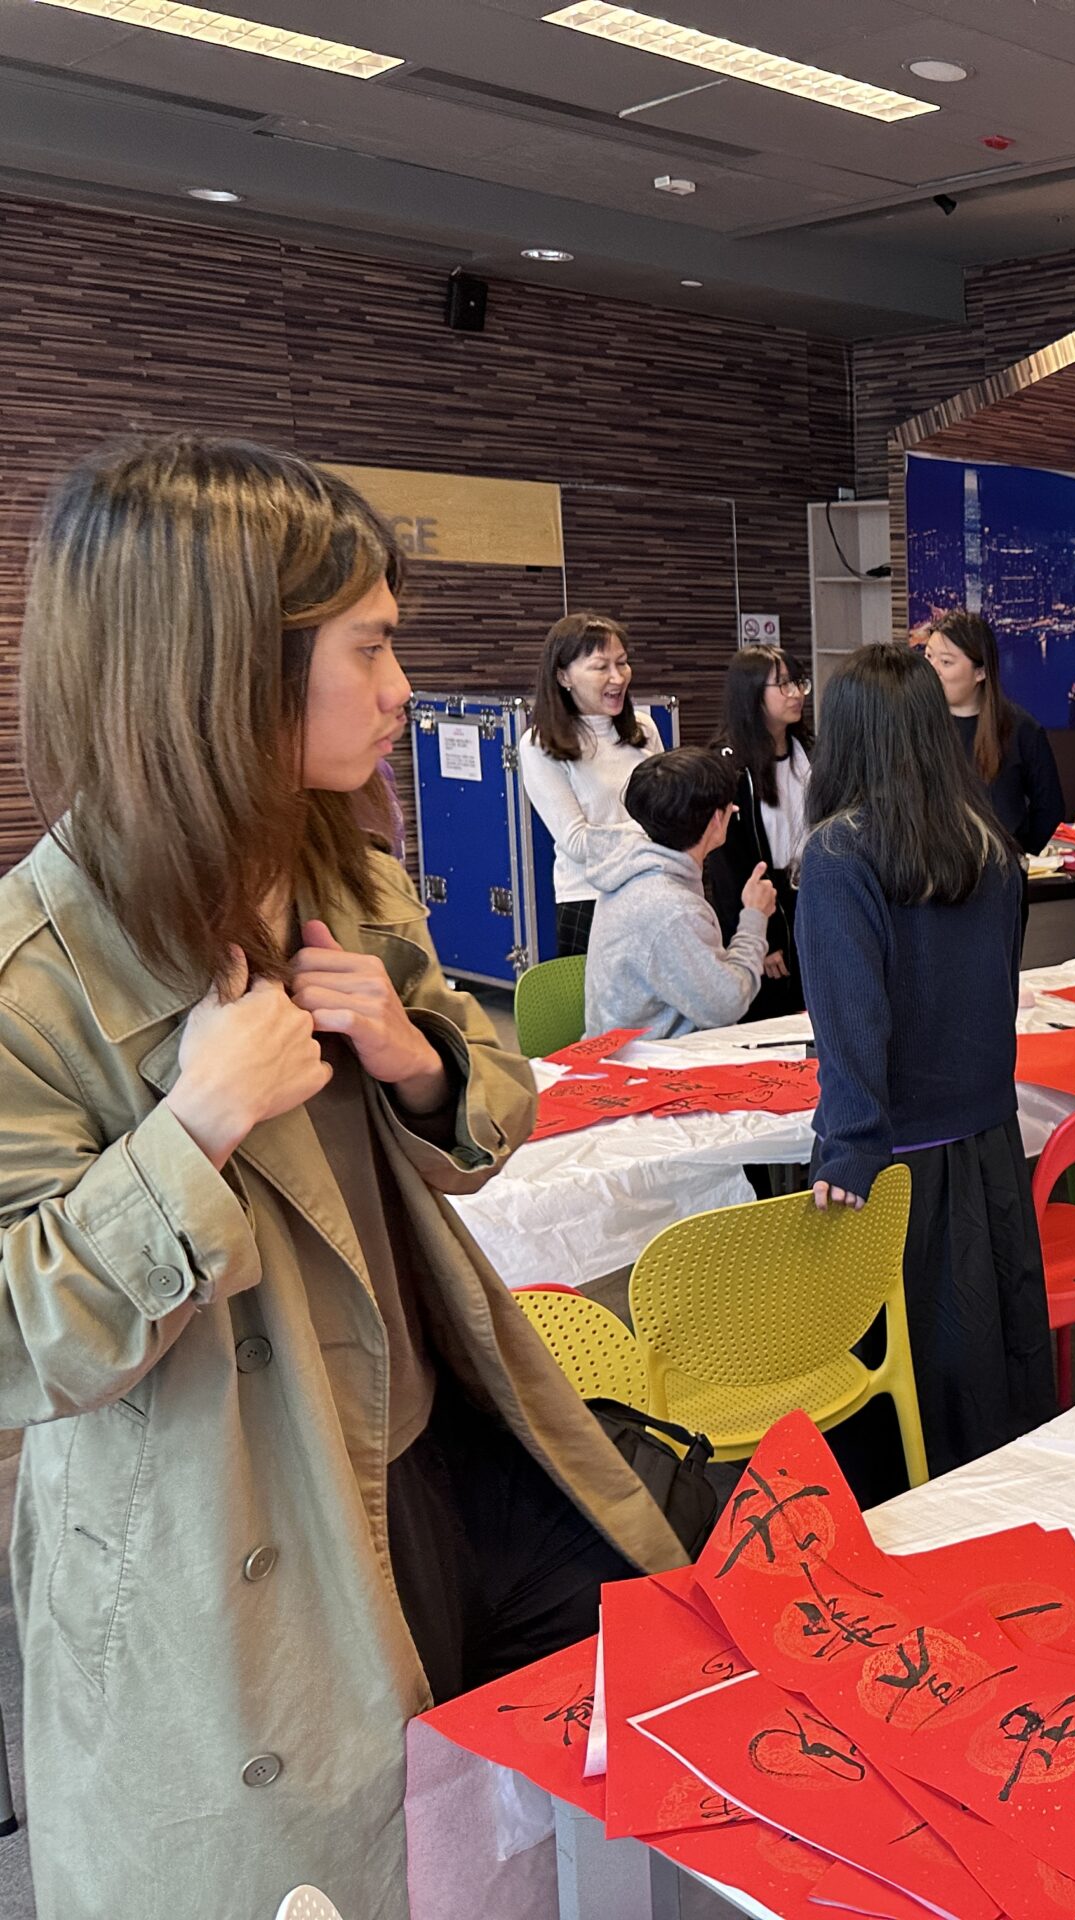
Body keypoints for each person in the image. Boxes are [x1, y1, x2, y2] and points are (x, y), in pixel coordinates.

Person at [0, 435, 684, 1920]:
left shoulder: (337, 868)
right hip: (237, 1544)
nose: (399, 693)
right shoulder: (32, 981)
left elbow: (493, 1101)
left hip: (440, 1442)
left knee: (544, 1817)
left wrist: (417, 1053)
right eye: (370, 649)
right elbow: (16, 1341)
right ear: (221, 667)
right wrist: (190, 1132)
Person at [797, 644, 1051, 1473]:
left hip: (894, 1157)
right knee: (984, 1354)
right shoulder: (990, 844)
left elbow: (851, 1020)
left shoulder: (840, 853)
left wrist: (850, 1143)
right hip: (986, 1137)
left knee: (895, 1371)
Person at [585, 747, 777, 1041]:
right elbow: (727, 1005)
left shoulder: (639, 870)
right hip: (649, 1068)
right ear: (716, 820)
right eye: (729, 806)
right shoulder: (669, 907)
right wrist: (754, 918)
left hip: (641, 1053)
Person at [522, 610, 663, 956]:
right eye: (601, 667)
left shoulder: (644, 729)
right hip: (589, 899)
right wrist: (652, 834)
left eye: (623, 663)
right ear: (564, 676)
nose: (617, 677)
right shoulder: (539, 744)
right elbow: (577, 842)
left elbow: (669, 807)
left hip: (656, 889)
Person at [705, 644, 813, 1022]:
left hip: (808, 895)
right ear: (751, 694)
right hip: (763, 903)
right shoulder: (729, 765)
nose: (796, 694)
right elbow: (726, 864)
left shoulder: (810, 753)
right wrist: (757, 937)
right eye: (782, 685)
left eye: (798, 683)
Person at [920, 610, 1066, 856]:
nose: (932, 670)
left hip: (999, 873)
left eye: (946, 662)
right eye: (928, 657)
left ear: (981, 672)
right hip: (934, 876)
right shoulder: (917, 725)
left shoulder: (1021, 730)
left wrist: (1017, 853)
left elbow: (1050, 808)